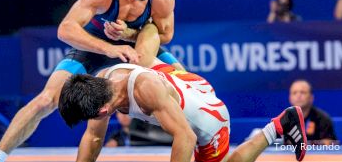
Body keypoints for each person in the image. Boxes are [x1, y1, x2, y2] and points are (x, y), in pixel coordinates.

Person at [0, 0, 184, 161]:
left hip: (137, 48)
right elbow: (66, 29)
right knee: (47, 99)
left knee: (186, 85)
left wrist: (128, 34)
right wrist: (109, 48)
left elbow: (166, 35)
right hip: (95, 47)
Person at [59, 23, 307, 162]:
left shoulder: (145, 91)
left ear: (103, 112)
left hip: (209, 117)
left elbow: (185, 137)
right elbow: (93, 139)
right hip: (182, 81)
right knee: (155, 73)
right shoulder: (101, 81)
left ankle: (279, 125)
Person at [289, 80, 337, 145]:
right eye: (294, 93)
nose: (298, 95)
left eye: (303, 92)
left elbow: (330, 144)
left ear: (311, 98)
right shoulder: (284, 119)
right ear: (290, 98)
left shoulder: (323, 119)